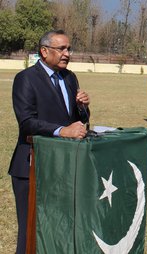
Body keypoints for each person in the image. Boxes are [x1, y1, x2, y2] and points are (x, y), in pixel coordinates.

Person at [9, 30, 90, 254]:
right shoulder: (25, 79)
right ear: (44, 51)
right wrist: (61, 131)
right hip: (31, 166)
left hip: (63, 165)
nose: (67, 53)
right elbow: (26, 122)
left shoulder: (70, 77)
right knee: (30, 232)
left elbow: (78, 120)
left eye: (69, 49)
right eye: (61, 49)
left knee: (57, 228)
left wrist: (83, 107)